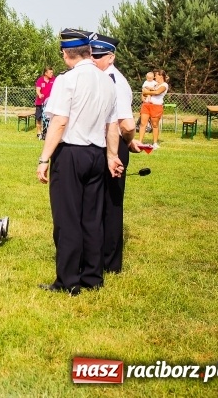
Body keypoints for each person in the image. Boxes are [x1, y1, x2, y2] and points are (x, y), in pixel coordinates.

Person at [36, 29, 122, 296]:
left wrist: (44, 158)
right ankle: (92, 277)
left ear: (66, 54)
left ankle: (68, 280)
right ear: (88, 51)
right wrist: (111, 156)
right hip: (97, 154)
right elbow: (112, 125)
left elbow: (59, 122)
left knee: (68, 218)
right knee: (92, 218)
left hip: (71, 153)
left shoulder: (67, 80)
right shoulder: (107, 81)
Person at [90, 36, 145, 274]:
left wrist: (128, 142)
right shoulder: (100, 78)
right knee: (98, 202)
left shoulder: (115, 82)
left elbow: (127, 124)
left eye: (97, 56)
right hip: (102, 143)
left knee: (111, 204)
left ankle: (110, 262)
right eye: (90, 55)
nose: (93, 59)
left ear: (111, 57)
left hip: (114, 146)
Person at [138, 70, 169, 148]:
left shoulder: (164, 85)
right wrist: (144, 95)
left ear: (161, 76)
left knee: (154, 125)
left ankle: (155, 143)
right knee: (143, 124)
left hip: (156, 106)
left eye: (156, 75)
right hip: (146, 105)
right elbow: (143, 91)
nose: (155, 77)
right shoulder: (154, 84)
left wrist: (146, 92)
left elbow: (157, 92)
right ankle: (140, 142)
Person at [35, 66, 55, 139]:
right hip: (40, 103)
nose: (52, 74)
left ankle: (46, 133)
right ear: (46, 73)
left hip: (50, 103)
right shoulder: (40, 80)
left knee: (48, 118)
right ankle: (39, 133)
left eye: (52, 72)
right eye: (50, 73)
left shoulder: (54, 79)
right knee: (39, 118)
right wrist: (40, 94)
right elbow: (38, 90)